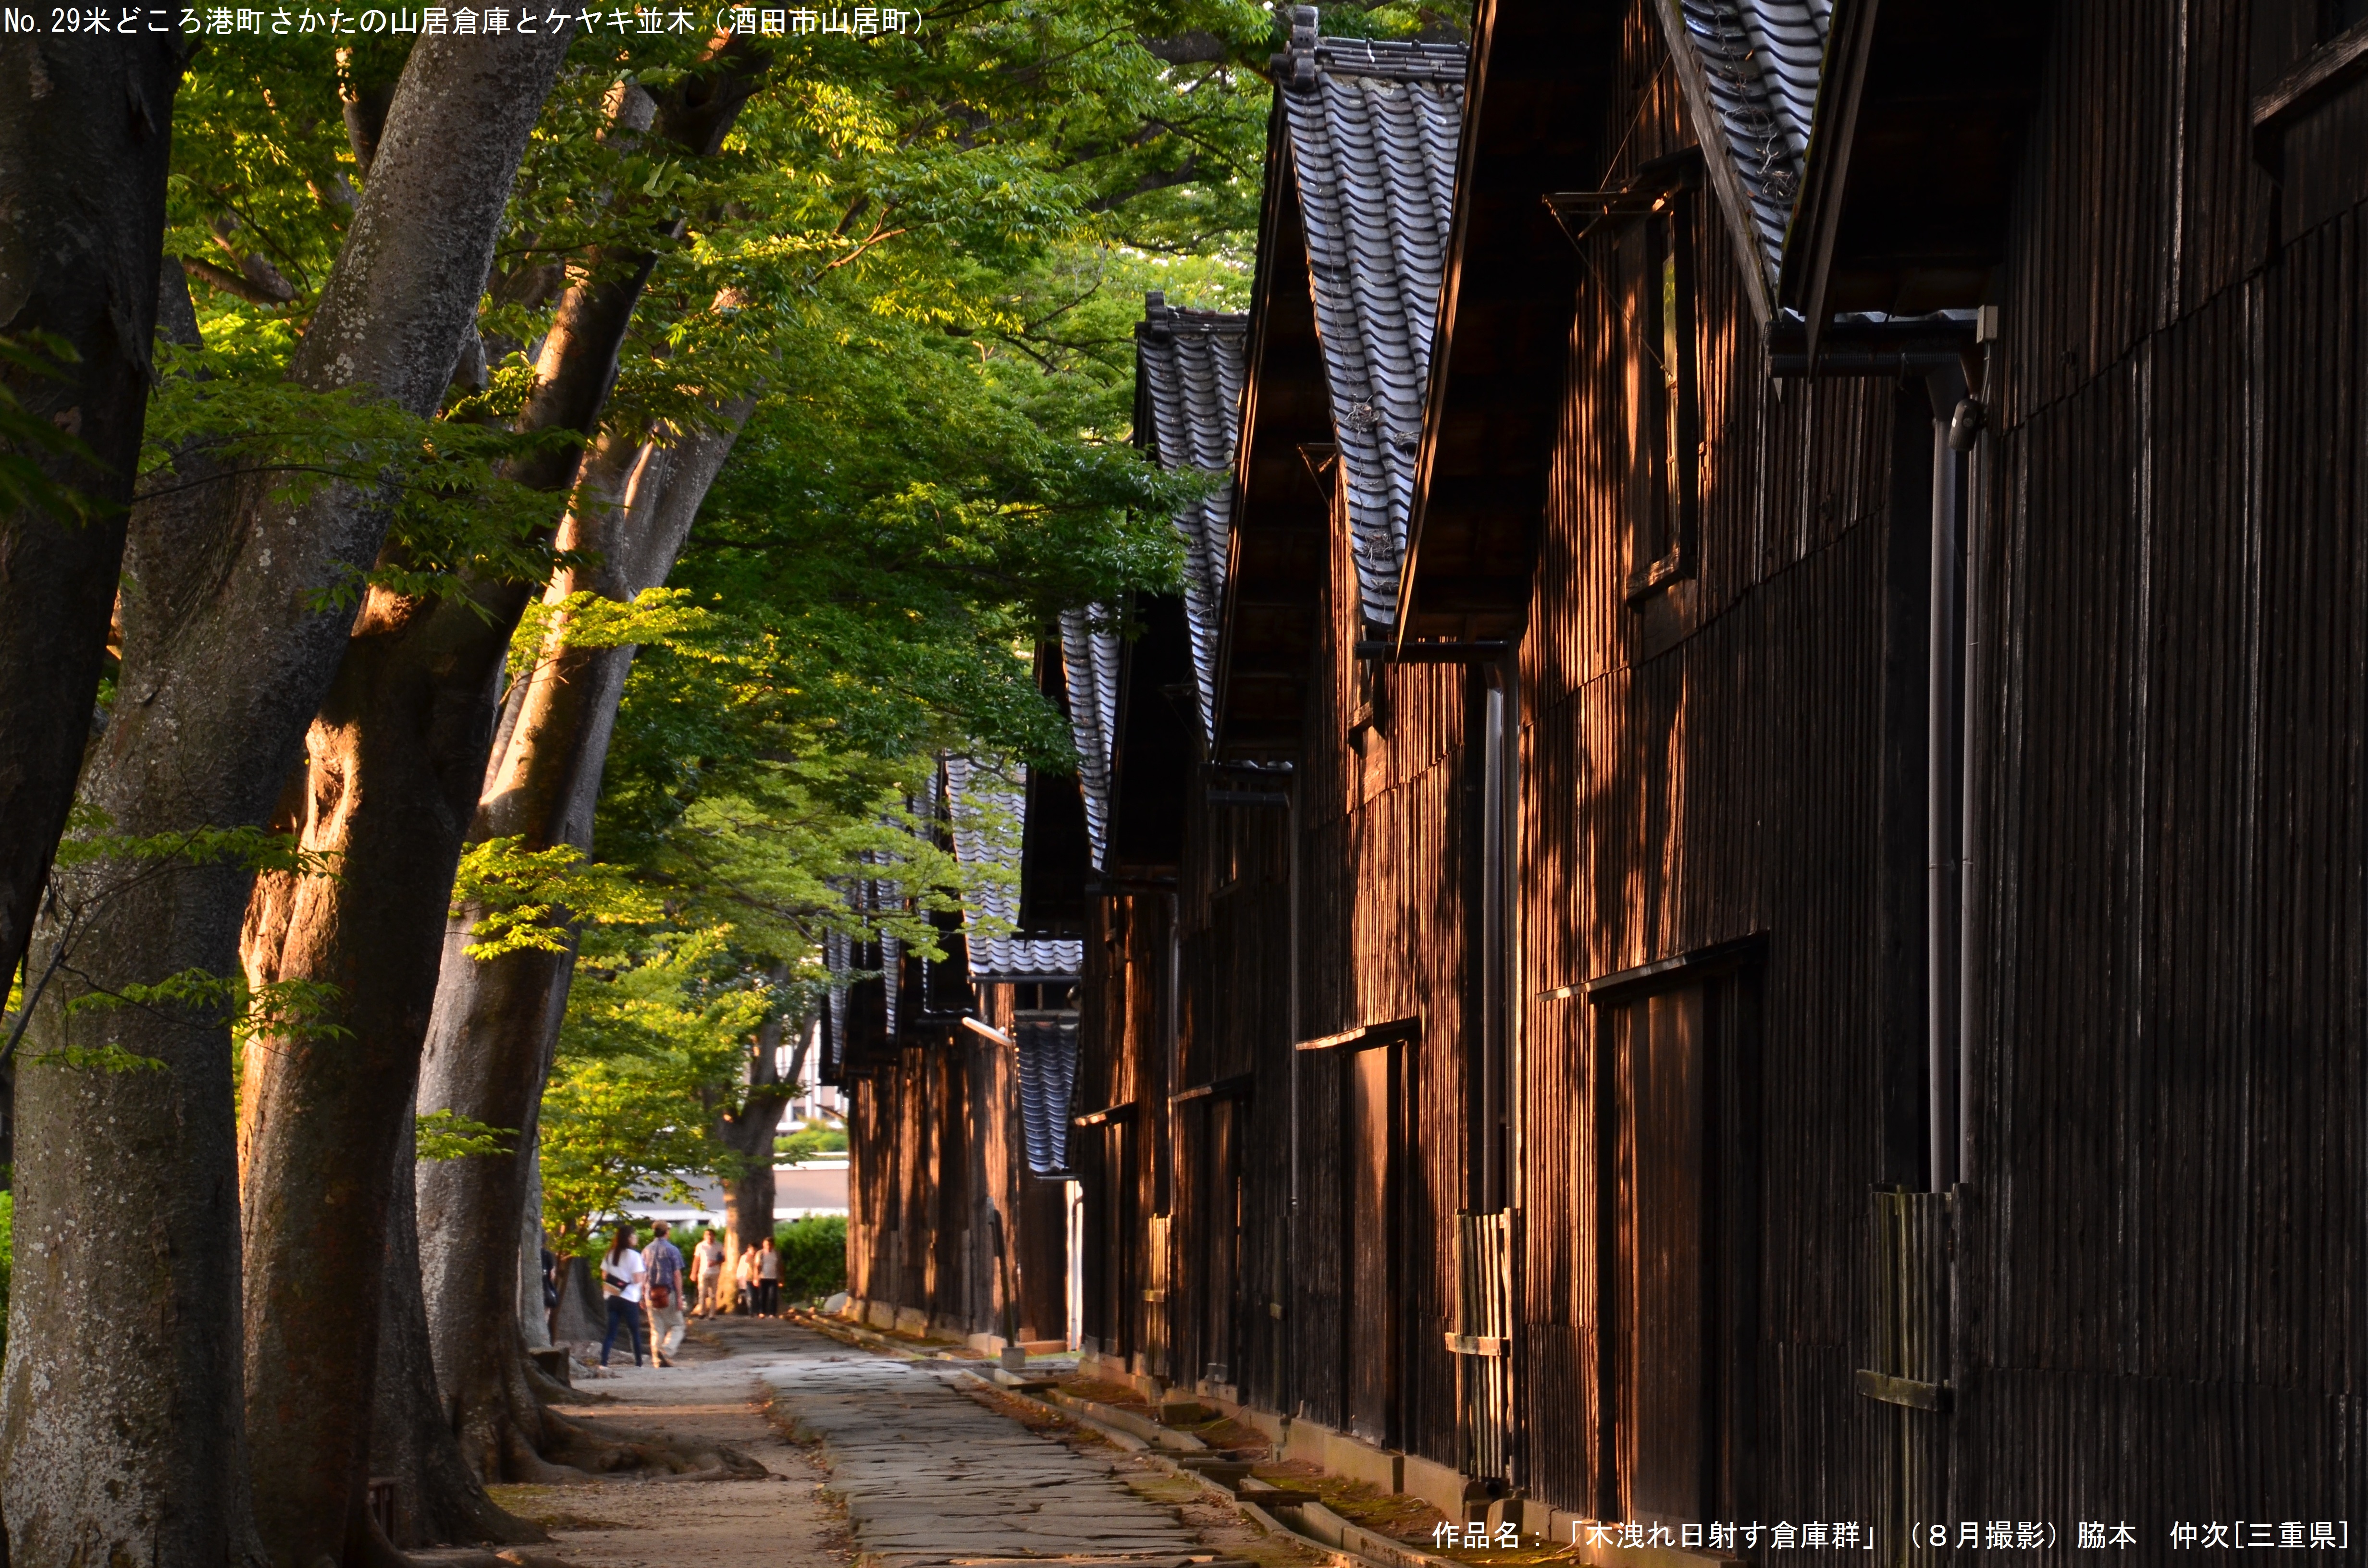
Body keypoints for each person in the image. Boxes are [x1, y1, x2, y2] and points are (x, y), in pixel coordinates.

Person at [598, 1224, 647, 1367]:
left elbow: (604, 1275)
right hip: (629, 1297)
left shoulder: (610, 1254)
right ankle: (638, 1363)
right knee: (634, 1332)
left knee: (611, 1332)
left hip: (612, 1296)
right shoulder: (634, 1256)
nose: (636, 1238)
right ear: (628, 1238)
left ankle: (604, 1362)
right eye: (634, 1235)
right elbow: (638, 1279)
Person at [643, 1219, 687, 1366]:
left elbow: (642, 1275)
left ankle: (657, 1360)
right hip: (668, 1293)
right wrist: (680, 1297)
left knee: (657, 1329)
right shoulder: (672, 1250)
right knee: (678, 1326)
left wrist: (643, 1295)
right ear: (667, 1232)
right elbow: (677, 1275)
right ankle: (666, 1350)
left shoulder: (646, 1250)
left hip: (651, 1294)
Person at [693, 1226, 726, 1317]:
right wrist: (694, 1272)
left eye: (711, 1235)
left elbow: (723, 1258)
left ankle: (712, 1314)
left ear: (714, 1236)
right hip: (703, 1272)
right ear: (704, 1236)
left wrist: (715, 1262)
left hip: (715, 1272)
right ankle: (702, 1312)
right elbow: (697, 1259)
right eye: (708, 1235)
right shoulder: (701, 1246)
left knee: (713, 1295)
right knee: (702, 1293)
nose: (710, 1237)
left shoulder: (719, 1246)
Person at [754, 1234, 781, 1317]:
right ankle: (762, 1312)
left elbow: (780, 1265)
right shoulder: (760, 1253)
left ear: (773, 1245)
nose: (768, 1246)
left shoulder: (777, 1253)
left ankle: (772, 1313)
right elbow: (757, 1266)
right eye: (766, 1244)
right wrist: (756, 1278)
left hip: (774, 1277)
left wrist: (782, 1278)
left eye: (770, 1245)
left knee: (773, 1296)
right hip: (763, 1277)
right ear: (764, 1245)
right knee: (762, 1296)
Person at [733, 1239, 757, 1314]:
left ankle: (756, 1310)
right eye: (752, 1249)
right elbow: (741, 1270)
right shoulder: (745, 1258)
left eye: (755, 1249)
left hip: (756, 1278)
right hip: (748, 1279)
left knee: (756, 1295)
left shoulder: (757, 1257)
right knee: (750, 1296)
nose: (754, 1251)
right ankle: (751, 1311)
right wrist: (740, 1280)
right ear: (749, 1249)